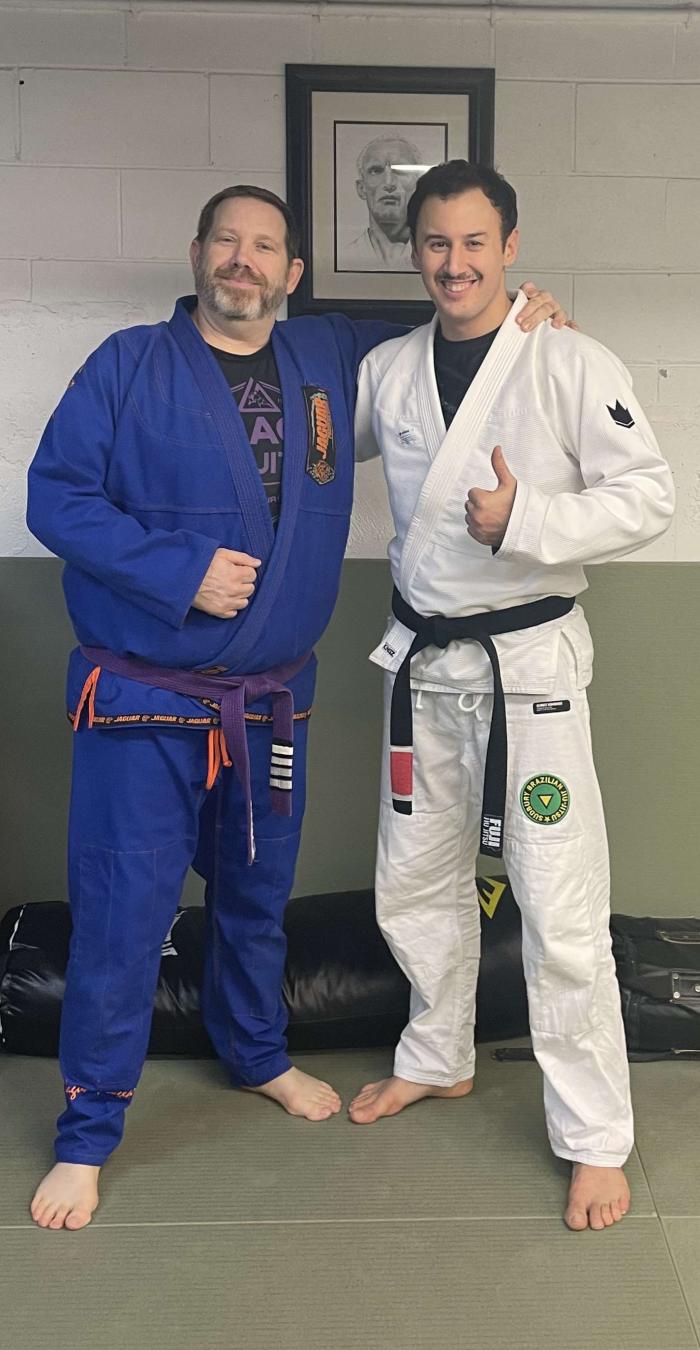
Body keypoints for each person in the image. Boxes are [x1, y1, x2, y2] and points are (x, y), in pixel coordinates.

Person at [26, 181, 568, 1231]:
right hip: (145, 702)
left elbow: (451, 321)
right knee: (124, 917)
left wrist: (525, 317)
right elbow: (56, 497)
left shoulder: (328, 355)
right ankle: (87, 1137)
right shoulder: (126, 366)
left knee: (254, 897)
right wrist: (177, 569)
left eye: (264, 246)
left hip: (271, 702)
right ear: (197, 254)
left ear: (293, 273)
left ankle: (257, 1055)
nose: (243, 260)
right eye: (225, 241)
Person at [349, 160, 675, 1235]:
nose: (455, 263)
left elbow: (649, 496)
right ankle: (436, 1055)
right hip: (423, 670)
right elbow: (303, 424)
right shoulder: (389, 370)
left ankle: (595, 1137)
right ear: (415, 252)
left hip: (529, 676)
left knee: (559, 901)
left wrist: (527, 517)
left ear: (511, 246)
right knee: (412, 879)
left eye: (474, 242)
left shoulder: (569, 358)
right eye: (436, 243)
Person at [342, 135, 423, 272]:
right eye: (376, 171)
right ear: (361, 188)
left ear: (417, 186)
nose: (388, 183)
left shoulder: (431, 259)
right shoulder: (345, 257)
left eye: (401, 170)